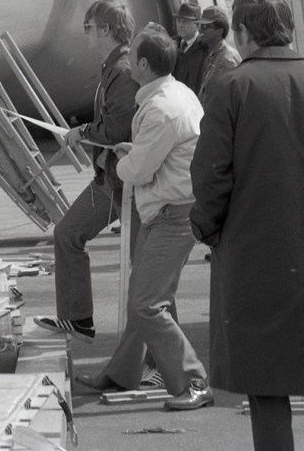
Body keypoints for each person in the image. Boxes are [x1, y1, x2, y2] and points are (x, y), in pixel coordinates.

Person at [190, 0, 304, 451]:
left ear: (245, 33)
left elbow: (210, 176)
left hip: (253, 257)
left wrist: (211, 231)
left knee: (266, 386)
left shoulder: (230, 89)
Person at [72, 25, 210, 411]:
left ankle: (193, 380)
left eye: (130, 54)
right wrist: (135, 151)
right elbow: (156, 152)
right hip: (169, 212)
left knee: (147, 304)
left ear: (144, 64)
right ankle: (122, 373)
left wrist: (118, 159)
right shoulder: (173, 94)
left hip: (173, 216)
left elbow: (137, 172)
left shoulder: (161, 108)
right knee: (144, 296)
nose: (125, 59)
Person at [39, 0, 139, 339]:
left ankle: (158, 364)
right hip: (110, 178)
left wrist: (81, 132)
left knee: (144, 273)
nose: (85, 35)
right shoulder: (113, 67)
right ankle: (77, 317)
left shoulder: (122, 71)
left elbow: (117, 130)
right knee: (67, 234)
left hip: (124, 184)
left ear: (106, 30)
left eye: (88, 28)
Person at [174, 5, 239, 101]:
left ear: (219, 31)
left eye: (206, 27)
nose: (200, 30)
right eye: (201, 25)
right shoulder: (213, 54)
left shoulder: (226, 59)